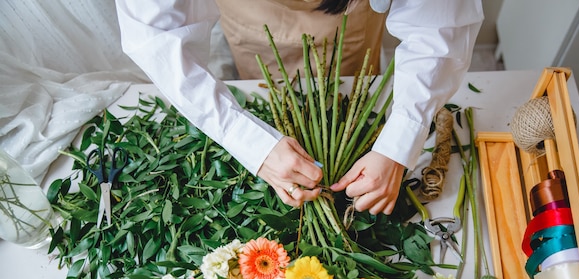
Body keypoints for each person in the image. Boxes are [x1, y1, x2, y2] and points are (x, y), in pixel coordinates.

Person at [114, 0, 483, 215]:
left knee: (351, 81)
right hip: (253, 13)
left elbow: (438, 25)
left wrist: (399, 142)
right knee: (260, 77)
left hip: (350, 19)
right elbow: (156, 39)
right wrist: (249, 141)